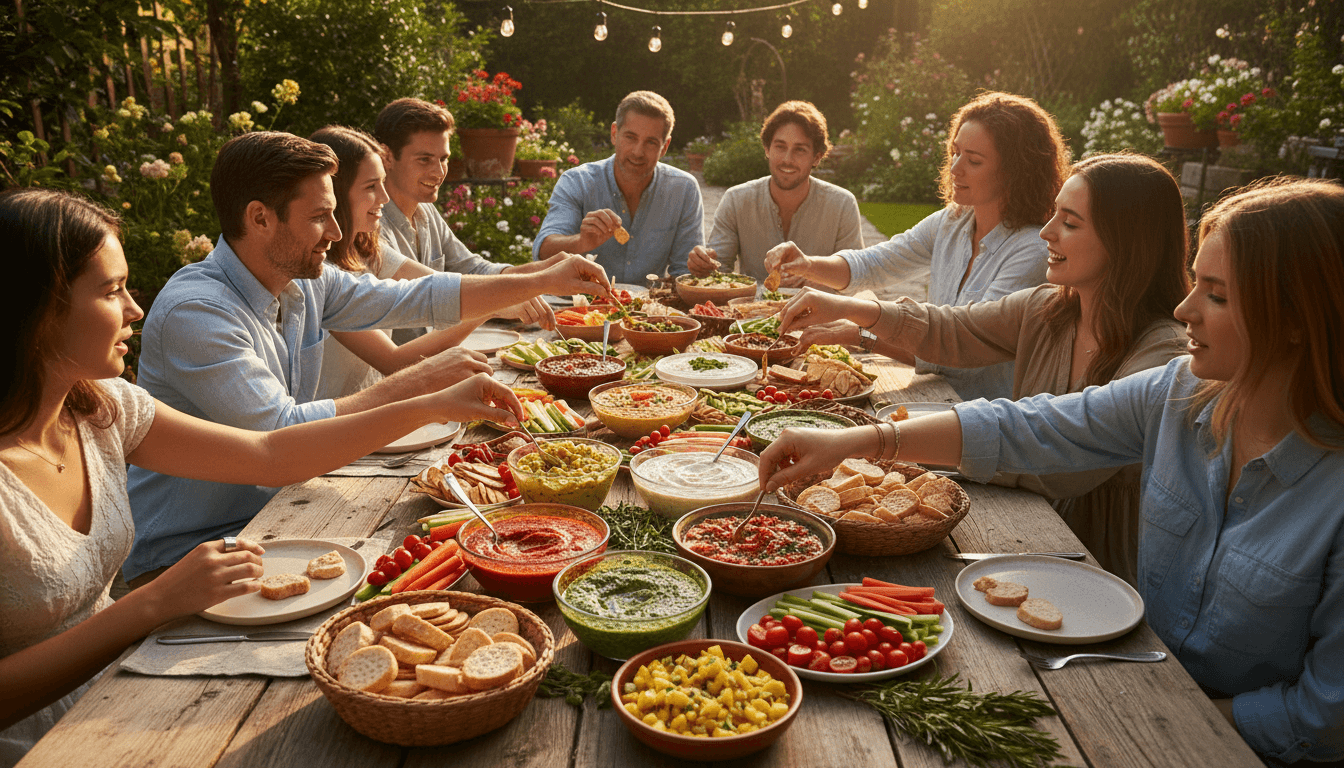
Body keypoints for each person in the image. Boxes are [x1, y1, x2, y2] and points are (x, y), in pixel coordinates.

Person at [760, 177, 1344, 765]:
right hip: (1128, 677)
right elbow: (1031, 425)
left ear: (1298, 318)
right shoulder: (1182, 392)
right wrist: (858, 441)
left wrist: (1163, 712)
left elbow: (1323, 719)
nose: (1184, 308)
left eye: (1216, 295)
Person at [0, 187, 525, 765]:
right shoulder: (191, 313)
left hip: (130, 686)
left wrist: (434, 404)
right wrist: (151, 604)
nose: (135, 309)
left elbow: (272, 454)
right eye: (111, 291)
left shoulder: (102, 408)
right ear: (37, 308)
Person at [124, 131, 613, 585]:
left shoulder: (300, 279)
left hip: (279, 522)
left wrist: (543, 279)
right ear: (258, 218)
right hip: (185, 558)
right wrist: (426, 389)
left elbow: (415, 297)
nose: (337, 233)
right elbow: (280, 434)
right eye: (319, 216)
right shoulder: (198, 312)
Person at [778, 153, 1190, 585]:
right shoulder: (1047, 308)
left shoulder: (1162, 356)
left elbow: (1045, 439)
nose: (1047, 233)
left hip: (1097, 568)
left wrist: (866, 441)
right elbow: (951, 328)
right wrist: (846, 306)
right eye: (1053, 216)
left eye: (1070, 223)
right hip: (1018, 528)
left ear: (1127, 242)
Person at [764, 91, 1071, 401]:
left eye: (973, 160)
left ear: (1014, 172)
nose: (955, 168)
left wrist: (858, 326)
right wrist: (806, 265)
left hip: (986, 419)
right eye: (955, 152)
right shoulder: (953, 221)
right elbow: (875, 263)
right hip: (934, 398)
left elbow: (960, 346)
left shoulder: (1032, 250)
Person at [310, 125, 493, 399]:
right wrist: (491, 305)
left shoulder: (368, 246)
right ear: (335, 192)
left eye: (382, 183)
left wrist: (512, 290)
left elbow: (436, 286)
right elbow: (395, 361)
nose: (384, 197)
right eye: (371, 186)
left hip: (376, 410)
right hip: (339, 422)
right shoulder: (319, 272)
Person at [372, 98, 553, 343]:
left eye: (443, 159)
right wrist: (507, 296)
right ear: (386, 157)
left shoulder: (425, 210)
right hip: (395, 371)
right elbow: (432, 291)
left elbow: (472, 269)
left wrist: (546, 269)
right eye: (424, 159)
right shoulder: (370, 224)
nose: (438, 172)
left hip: (432, 359)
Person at [533, 90, 704, 283]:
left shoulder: (683, 189)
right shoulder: (577, 181)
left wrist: (701, 269)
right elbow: (543, 251)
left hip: (648, 308)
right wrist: (581, 242)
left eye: (651, 142)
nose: (638, 152)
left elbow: (684, 273)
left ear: (664, 147)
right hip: (581, 306)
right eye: (630, 137)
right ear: (614, 134)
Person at [687, 100, 863, 282]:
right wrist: (703, 265)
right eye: (780, 146)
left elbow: (857, 274)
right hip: (752, 309)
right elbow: (718, 268)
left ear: (816, 157)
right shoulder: (736, 200)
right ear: (767, 149)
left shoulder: (842, 204)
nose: (787, 159)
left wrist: (810, 272)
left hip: (822, 309)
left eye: (800, 150)